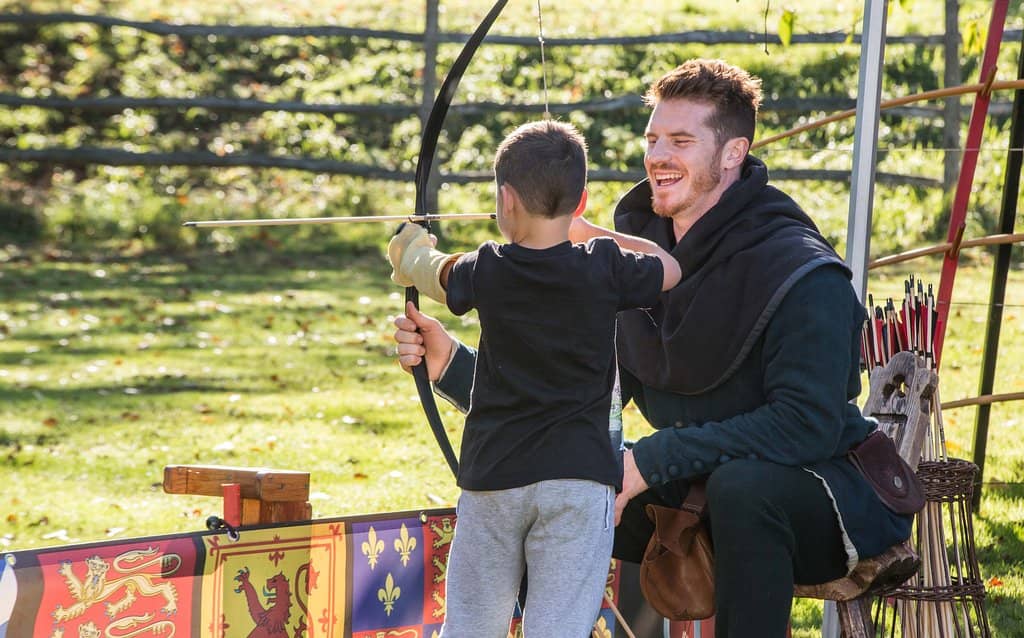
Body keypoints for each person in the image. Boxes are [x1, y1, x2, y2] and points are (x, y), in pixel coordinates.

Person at [391, 59, 916, 637]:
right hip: (695, 481)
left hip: (821, 494)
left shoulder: (802, 272)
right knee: (568, 474)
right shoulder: (631, 263)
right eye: (653, 139)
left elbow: (806, 426)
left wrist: (649, 461)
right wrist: (448, 363)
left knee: (743, 488)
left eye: (681, 141)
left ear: (734, 153)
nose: (659, 156)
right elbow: (566, 396)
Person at [386, 119, 682, 638]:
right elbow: (670, 269)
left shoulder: (487, 268)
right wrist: (587, 231)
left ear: (506, 199)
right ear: (580, 200)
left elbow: (434, 271)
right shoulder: (606, 265)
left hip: (494, 478)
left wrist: (408, 252)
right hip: (579, 480)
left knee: (471, 627)